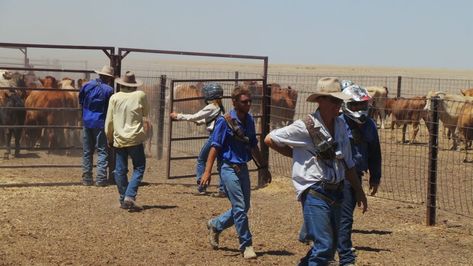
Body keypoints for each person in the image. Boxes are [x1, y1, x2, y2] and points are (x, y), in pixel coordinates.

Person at [264, 77, 368, 265]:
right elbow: (270, 139)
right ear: (321, 100)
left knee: (328, 247)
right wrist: (296, 155)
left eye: (339, 100)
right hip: (315, 191)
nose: (339, 104)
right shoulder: (304, 126)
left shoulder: (341, 125)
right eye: (334, 100)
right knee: (325, 246)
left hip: (337, 190)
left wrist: (359, 190)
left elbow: (348, 162)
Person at [200, 85, 272, 259]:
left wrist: (263, 167)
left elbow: (253, 144)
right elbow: (214, 147)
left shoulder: (249, 120)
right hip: (228, 168)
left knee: (243, 207)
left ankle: (216, 224)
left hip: (243, 168)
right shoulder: (224, 122)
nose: (248, 104)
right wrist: (207, 171)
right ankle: (246, 245)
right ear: (234, 102)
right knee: (239, 207)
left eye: (250, 101)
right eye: (244, 102)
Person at [337, 81, 382, 265]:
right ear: (346, 105)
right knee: (337, 212)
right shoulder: (338, 123)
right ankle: (344, 252)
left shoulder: (370, 125)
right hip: (336, 173)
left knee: (346, 212)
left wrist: (375, 176)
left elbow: (374, 151)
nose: (359, 108)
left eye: (362, 104)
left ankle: (341, 248)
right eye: (355, 104)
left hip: (356, 174)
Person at [170, 83, 226, 196]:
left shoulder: (211, 107)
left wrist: (179, 116)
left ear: (210, 95)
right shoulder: (220, 108)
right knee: (220, 163)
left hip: (213, 137)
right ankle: (222, 189)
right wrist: (201, 122)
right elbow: (215, 120)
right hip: (221, 137)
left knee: (201, 159)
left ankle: (202, 186)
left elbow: (195, 116)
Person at [105, 71, 150, 211]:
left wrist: (109, 137)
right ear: (134, 85)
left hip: (119, 139)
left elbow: (109, 122)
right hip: (135, 138)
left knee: (120, 170)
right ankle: (129, 196)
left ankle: (123, 197)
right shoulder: (140, 95)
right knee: (139, 167)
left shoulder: (114, 98)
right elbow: (146, 112)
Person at [79, 65, 114, 187]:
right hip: (100, 122)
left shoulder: (87, 86)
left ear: (99, 75)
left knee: (87, 151)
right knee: (102, 151)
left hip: (87, 121)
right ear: (109, 78)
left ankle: (87, 178)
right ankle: (100, 178)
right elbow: (111, 108)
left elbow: (81, 102)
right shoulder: (109, 90)